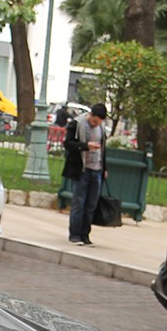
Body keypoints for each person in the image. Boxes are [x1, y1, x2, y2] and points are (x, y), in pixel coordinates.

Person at [64, 103, 109, 247]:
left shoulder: (101, 128)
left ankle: (85, 234)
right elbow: (68, 144)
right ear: (90, 115)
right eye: (95, 121)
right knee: (79, 202)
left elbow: (103, 149)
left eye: (99, 122)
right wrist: (85, 146)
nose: (96, 125)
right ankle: (75, 234)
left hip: (97, 169)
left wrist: (104, 168)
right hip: (82, 168)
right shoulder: (77, 124)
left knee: (91, 204)